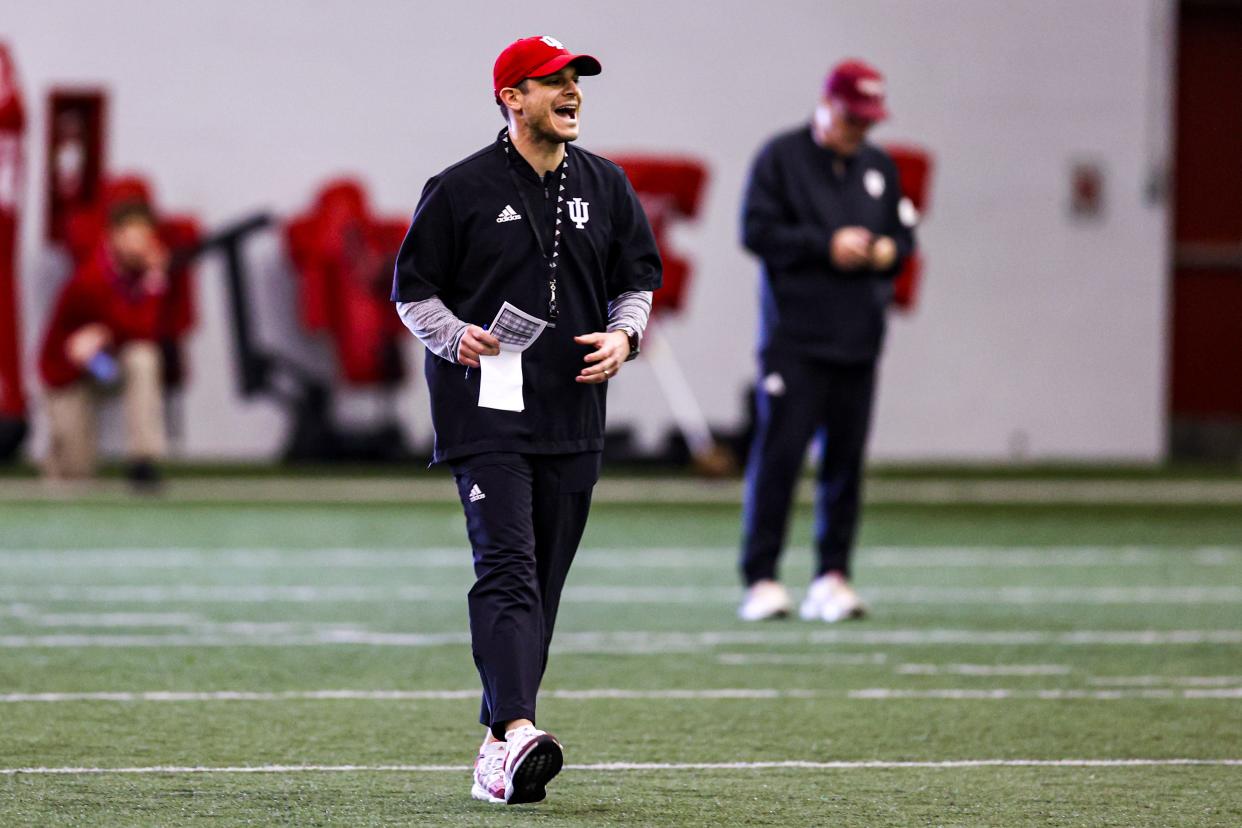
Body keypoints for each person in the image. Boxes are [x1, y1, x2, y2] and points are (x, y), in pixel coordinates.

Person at [391, 35, 660, 805]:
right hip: (487, 411)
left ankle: (494, 754)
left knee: (542, 584)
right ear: (512, 97)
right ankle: (516, 730)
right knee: (506, 568)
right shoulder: (460, 187)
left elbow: (637, 280)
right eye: (553, 82)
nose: (571, 91)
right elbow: (413, 293)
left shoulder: (607, 185)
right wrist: (454, 336)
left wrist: (625, 337)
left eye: (576, 80)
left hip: (574, 409)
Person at [737, 59, 918, 623]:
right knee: (781, 458)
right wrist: (826, 244)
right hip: (794, 339)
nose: (858, 130)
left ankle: (832, 576)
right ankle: (762, 578)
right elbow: (755, 231)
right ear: (827, 103)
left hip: (858, 340)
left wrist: (887, 251)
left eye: (867, 121)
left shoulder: (879, 167)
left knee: (846, 463)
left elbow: (905, 233)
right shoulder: (781, 158)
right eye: (850, 117)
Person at [38, 200, 173, 488]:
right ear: (114, 236)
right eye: (133, 237)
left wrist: (108, 333)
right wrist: (152, 285)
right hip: (68, 373)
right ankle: (58, 462)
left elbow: (145, 333)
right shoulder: (92, 278)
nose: (141, 246)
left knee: (142, 358)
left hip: (106, 366)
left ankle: (143, 458)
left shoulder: (142, 274)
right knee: (75, 471)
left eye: (146, 238)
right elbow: (130, 325)